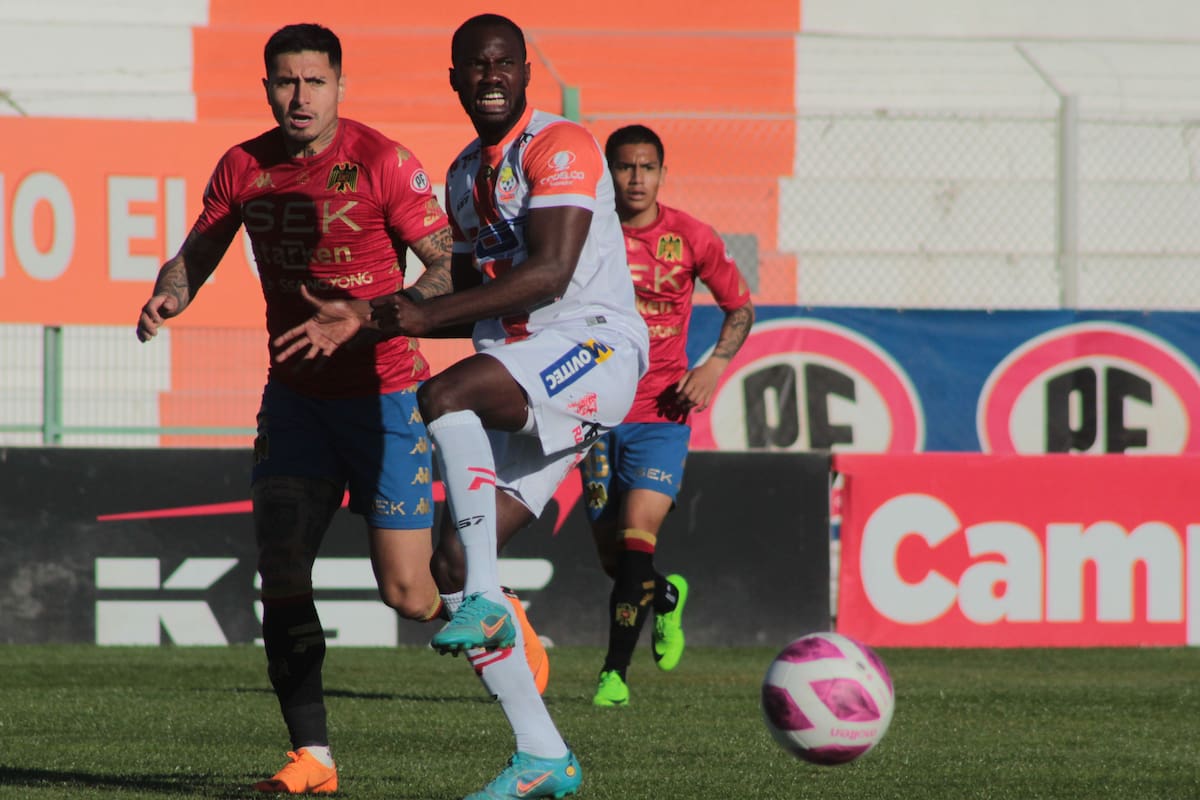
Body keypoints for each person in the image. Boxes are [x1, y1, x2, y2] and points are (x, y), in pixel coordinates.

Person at [134, 22, 546, 796]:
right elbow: (197, 252)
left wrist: (370, 309)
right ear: (267, 89)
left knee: (409, 594)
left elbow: (439, 271)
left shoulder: (383, 162)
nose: (300, 96)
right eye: (286, 82)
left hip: (383, 395)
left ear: (339, 86)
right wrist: (168, 294)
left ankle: (499, 608)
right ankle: (312, 758)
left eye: (314, 81)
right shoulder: (243, 167)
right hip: (294, 401)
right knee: (282, 566)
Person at [273, 14, 649, 799]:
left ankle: (485, 598)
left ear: (523, 74)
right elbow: (463, 274)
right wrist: (376, 310)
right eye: (474, 65)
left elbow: (549, 272)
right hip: (526, 373)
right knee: (445, 563)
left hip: (595, 347)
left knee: (444, 392)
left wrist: (407, 319)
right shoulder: (461, 177)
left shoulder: (563, 146)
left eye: (503, 62)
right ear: (454, 79)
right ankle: (543, 755)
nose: (490, 75)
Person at [579, 125, 755, 708]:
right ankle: (668, 597)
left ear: (661, 172)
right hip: (596, 412)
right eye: (625, 167)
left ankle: (614, 675)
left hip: (661, 413)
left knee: (636, 540)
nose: (636, 178)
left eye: (646, 167)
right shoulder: (585, 234)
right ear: (608, 173)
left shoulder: (691, 236)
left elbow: (739, 306)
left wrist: (714, 366)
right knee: (617, 559)